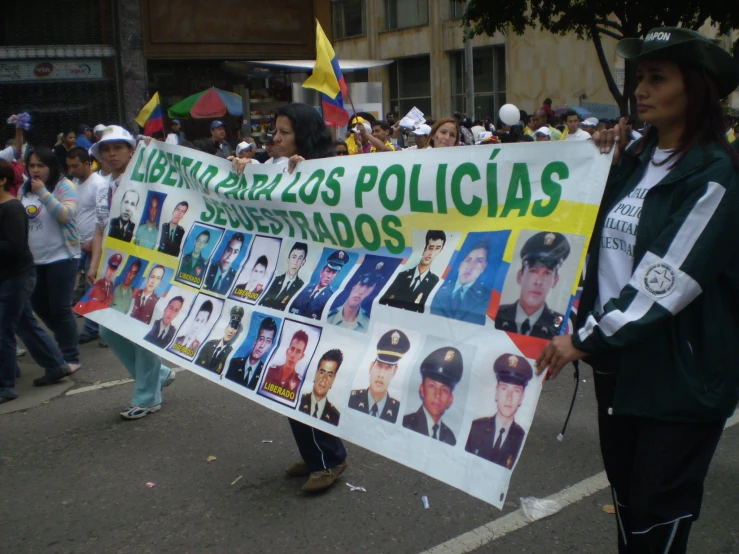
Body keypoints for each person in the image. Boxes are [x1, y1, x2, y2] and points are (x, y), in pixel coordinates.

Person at [535, 28, 739, 553]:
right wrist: (601, 161)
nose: (639, 90)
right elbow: (593, 241)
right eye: (639, 78)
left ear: (696, 90)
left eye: (657, 78)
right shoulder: (636, 161)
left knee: (658, 513)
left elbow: (664, 280)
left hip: (678, 376)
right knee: (627, 501)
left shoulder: (715, 176)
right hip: (620, 366)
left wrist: (586, 338)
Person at [88, 125, 174, 420]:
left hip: (147, 265)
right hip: (116, 268)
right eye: (106, 149)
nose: (111, 154)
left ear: (131, 150)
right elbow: (101, 228)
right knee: (108, 329)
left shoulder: (145, 178)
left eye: (118, 148)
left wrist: (155, 153)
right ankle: (158, 373)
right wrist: (95, 264)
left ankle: (148, 396)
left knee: (138, 327)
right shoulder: (105, 186)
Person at [0, 159, 72, 402]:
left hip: (16, 276)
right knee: (23, 323)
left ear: (3, 180)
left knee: (5, 329)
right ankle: (56, 365)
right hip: (11, 275)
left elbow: (17, 247)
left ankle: (5, 385)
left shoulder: (10, 208)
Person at [19, 146, 81, 376]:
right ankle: (65, 337)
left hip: (63, 256)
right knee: (39, 305)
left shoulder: (64, 186)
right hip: (34, 260)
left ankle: (70, 355)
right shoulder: (25, 190)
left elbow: (66, 215)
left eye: (40, 166)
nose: (35, 170)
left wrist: (44, 193)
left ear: (51, 167)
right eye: (32, 165)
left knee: (60, 307)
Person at [495, 232, 571, 338]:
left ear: (555, 280)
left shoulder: (558, 323)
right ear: (520, 276)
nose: (538, 282)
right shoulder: (497, 314)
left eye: (547, 273)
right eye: (533, 271)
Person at [67, 147, 107, 344]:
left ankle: (95, 329)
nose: (72, 170)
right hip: (79, 244)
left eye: (76, 166)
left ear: (87, 163)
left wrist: (94, 241)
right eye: (69, 167)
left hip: (93, 245)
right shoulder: (74, 183)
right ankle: (94, 327)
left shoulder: (98, 184)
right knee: (88, 287)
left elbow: (101, 217)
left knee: (95, 287)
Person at [465, 353, 532, 469]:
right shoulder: (475, 428)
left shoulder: (522, 438)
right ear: (496, 393)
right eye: (504, 388)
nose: (509, 397)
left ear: (521, 398)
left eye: (516, 391)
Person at [403, 347, 463, 445]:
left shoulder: (450, 439)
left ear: (450, 400)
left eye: (444, 390)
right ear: (422, 390)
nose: (437, 395)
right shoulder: (405, 424)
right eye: (432, 386)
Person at [348, 328, 410, 423]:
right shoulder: (350, 400)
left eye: (389, 367)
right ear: (371, 367)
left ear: (395, 371)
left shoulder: (399, 413)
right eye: (379, 366)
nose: (381, 375)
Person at [380, 230, 445, 313]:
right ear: (424, 248)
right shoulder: (401, 276)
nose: (431, 253)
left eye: (437, 249)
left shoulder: (435, 283)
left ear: (440, 251)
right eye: (430, 248)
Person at [430, 240, 492, 325]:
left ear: (484, 267)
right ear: (460, 264)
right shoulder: (437, 286)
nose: (470, 266)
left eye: (479, 261)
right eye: (468, 260)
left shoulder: (488, 297)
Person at [289, 249, 348, 319]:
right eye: (328, 271)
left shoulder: (331, 297)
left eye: (334, 273)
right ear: (321, 273)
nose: (329, 276)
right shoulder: (305, 288)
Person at [225, 316, 277, 389]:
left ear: (269, 347)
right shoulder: (234, 363)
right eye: (261, 339)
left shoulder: (265, 374)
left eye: (268, 341)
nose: (262, 345)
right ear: (255, 341)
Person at [298, 349, 343, 426]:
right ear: (316, 374)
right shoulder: (299, 401)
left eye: (329, 375)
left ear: (333, 380)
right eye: (322, 372)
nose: (324, 379)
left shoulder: (336, 416)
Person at [195, 306, 245, 374]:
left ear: (236, 333)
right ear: (226, 327)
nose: (231, 331)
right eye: (231, 326)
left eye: (235, 328)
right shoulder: (208, 345)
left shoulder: (229, 353)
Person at [259, 242, 307, 310]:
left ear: (303, 262)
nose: (295, 262)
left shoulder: (302, 287)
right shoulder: (274, 279)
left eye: (300, 258)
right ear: (288, 259)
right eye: (294, 257)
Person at [262, 329, 309, 396]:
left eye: (298, 351)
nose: (293, 355)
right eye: (292, 349)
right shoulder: (270, 371)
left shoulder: (299, 384)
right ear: (287, 351)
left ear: (302, 356)